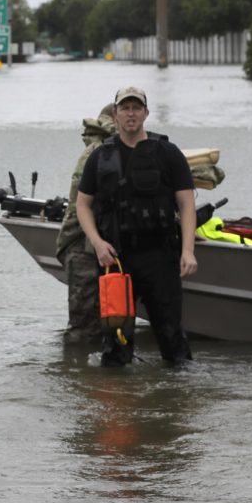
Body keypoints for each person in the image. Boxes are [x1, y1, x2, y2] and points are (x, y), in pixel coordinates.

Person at [75, 86, 197, 367]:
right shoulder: (100, 156)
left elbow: (187, 204)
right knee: (116, 341)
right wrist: (96, 243)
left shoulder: (167, 153)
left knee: (172, 339)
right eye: (125, 108)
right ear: (115, 114)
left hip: (160, 257)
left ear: (145, 113)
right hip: (115, 259)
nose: (131, 113)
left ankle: (176, 402)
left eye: (136, 108)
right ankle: (118, 404)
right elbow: (83, 205)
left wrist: (188, 251)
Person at [55, 103, 116, 343]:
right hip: (83, 247)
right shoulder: (97, 152)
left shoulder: (107, 149)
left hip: (98, 246)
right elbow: (83, 205)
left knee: (108, 322)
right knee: (84, 329)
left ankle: (87, 376)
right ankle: (77, 375)